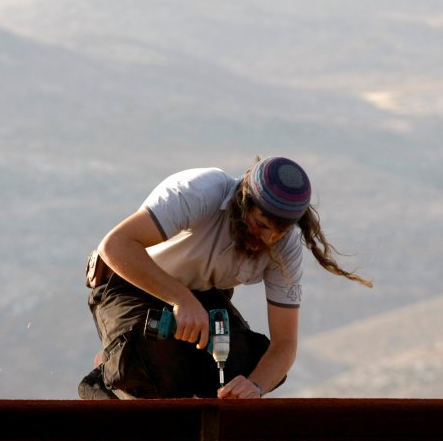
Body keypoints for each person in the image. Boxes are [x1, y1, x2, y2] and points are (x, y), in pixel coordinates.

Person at [78, 156, 372, 400]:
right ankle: (105, 375)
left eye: (278, 232)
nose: (267, 238)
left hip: (202, 296)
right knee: (156, 370)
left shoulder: (285, 247)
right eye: (260, 224)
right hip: (134, 280)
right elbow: (114, 246)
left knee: (243, 363)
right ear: (243, 201)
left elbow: (284, 345)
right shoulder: (200, 191)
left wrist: (253, 387)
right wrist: (180, 299)